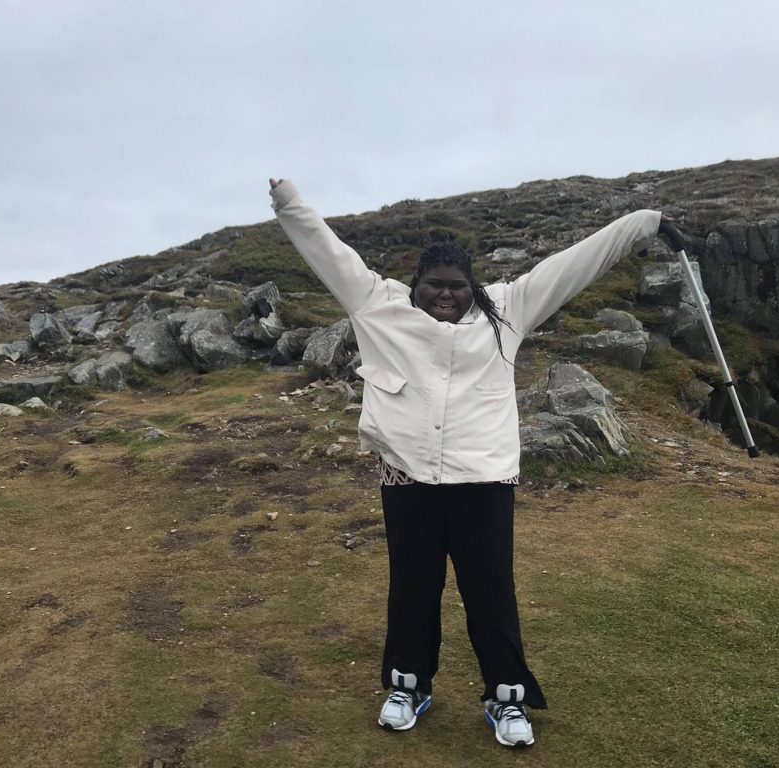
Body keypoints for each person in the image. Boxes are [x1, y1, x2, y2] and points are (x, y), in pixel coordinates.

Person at [268, 177, 666, 747]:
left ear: (472, 285)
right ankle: (407, 685)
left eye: (456, 286)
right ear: (417, 285)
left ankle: (507, 700)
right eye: (435, 286)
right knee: (411, 586)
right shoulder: (376, 305)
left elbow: (578, 262)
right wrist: (288, 202)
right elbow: (326, 249)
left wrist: (646, 222)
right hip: (408, 479)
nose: (446, 296)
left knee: (490, 591)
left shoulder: (509, 309)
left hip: (484, 480)